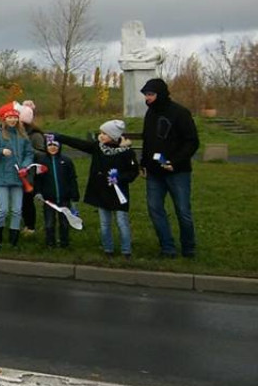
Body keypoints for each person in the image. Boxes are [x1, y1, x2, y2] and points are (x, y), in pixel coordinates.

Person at [54, 120, 139, 258]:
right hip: (101, 192)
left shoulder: (127, 153)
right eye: (101, 133)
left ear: (113, 135)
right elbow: (78, 143)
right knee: (105, 224)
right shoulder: (97, 147)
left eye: (105, 133)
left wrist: (119, 178)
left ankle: (126, 251)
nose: (101, 136)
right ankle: (108, 249)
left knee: (122, 222)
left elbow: (133, 172)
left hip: (119, 194)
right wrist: (59, 137)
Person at [141, 78, 199, 258]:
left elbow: (192, 142)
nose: (147, 98)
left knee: (183, 211)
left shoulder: (180, 113)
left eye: (151, 94)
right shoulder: (150, 114)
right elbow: (147, 141)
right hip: (154, 172)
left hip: (177, 172)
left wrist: (174, 162)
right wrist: (144, 163)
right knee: (155, 209)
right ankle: (167, 248)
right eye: (146, 95)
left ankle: (188, 248)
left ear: (161, 94)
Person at [0, 103, 35, 248]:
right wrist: (0, 151)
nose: (12, 120)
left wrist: (25, 166)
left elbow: (29, 154)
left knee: (17, 210)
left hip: (18, 179)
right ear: (4, 119)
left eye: (15, 117)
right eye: (9, 117)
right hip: (2, 179)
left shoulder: (23, 136)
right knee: (3, 210)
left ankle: (13, 241)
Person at [35, 135, 80, 249]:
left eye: (55, 145)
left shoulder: (66, 161)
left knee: (64, 222)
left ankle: (64, 243)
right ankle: (50, 243)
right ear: (46, 147)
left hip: (64, 198)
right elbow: (38, 179)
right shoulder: (42, 162)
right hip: (48, 199)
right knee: (49, 223)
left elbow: (72, 179)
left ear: (59, 146)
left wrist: (74, 195)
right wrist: (38, 192)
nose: (52, 147)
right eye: (50, 145)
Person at [18, 100, 46, 235]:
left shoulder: (35, 135)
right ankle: (19, 222)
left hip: (29, 174)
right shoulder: (15, 133)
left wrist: (26, 149)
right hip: (15, 171)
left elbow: (42, 154)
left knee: (27, 200)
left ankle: (30, 226)